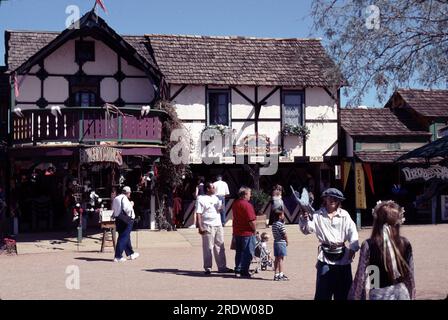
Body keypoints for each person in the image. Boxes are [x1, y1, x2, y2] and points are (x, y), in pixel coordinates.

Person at [299, 187, 359, 300]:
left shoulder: (345, 215)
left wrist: (353, 249)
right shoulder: (317, 215)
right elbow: (307, 230)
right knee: (323, 293)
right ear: (325, 199)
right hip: (325, 258)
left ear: (339, 201)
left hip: (343, 258)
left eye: (335, 199)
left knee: (344, 293)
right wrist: (305, 218)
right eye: (330, 197)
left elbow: (353, 232)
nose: (332, 200)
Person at [349, 200, 415, 300]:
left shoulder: (369, 245)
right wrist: (412, 295)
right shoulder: (405, 243)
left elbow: (361, 278)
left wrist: (356, 297)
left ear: (376, 221)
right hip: (402, 293)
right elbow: (410, 277)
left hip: (378, 293)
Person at [196, 182, 233, 274]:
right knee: (208, 247)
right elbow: (199, 213)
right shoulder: (201, 199)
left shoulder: (216, 198)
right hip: (207, 224)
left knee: (220, 245)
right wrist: (200, 226)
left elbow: (220, 210)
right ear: (208, 189)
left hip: (218, 224)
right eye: (213, 187)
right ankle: (208, 267)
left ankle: (222, 267)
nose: (215, 189)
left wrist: (220, 208)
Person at [232, 186, 257, 278]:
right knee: (248, 252)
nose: (250, 195)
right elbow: (251, 220)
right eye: (249, 193)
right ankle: (244, 270)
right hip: (247, 232)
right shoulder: (247, 205)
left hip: (237, 231)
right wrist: (254, 229)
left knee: (239, 252)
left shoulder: (235, 203)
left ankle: (238, 269)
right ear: (245, 194)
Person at [112, 186, 139, 262]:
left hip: (118, 219)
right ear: (128, 192)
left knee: (125, 236)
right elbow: (128, 209)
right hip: (126, 220)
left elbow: (113, 209)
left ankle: (131, 253)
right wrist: (131, 204)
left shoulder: (116, 198)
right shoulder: (125, 199)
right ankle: (118, 256)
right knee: (123, 237)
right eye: (129, 192)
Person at [272, 209, 289, 281]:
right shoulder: (280, 225)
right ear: (279, 216)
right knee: (281, 259)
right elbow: (284, 234)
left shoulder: (274, 224)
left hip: (276, 242)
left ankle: (276, 274)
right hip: (281, 242)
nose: (283, 216)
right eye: (282, 214)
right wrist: (287, 241)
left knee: (276, 258)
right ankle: (281, 274)